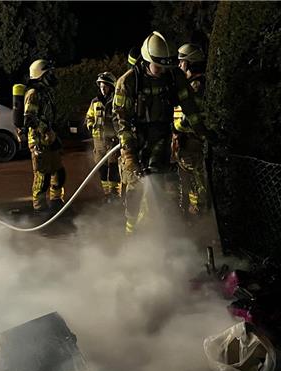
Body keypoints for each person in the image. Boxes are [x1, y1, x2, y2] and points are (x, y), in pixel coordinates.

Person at [113, 31, 208, 234]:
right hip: (137, 141)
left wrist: (202, 131)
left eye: (167, 66)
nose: (164, 71)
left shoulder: (174, 75)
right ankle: (131, 233)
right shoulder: (128, 82)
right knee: (135, 191)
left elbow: (189, 106)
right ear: (147, 61)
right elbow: (121, 122)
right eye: (159, 66)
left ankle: (167, 233)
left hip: (163, 139)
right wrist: (129, 154)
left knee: (168, 189)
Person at [24, 59, 66, 214]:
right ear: (41, 75)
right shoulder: (33, 94)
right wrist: (46, 131)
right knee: (42, 176)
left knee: (58, 172)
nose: (52, 75)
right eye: (49, 73)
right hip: (39, 141)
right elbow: (30, 118)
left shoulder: (46, 93)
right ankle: (39, 207)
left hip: (50, 138)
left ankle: (56, 201)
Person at [173, 43, 209, 216]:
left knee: (196, 179)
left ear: (191, 63)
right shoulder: (188, 84)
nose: (179, 66)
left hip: (191, 141)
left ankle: (201, 214)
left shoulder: (197, 84)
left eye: (182, 62)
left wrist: (175, 128)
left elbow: (190, 116)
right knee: (185, 179)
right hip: (183, 142)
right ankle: (189, 211)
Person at [86, 71, 121, 202]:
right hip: (99, 141)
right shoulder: (95, 102)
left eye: (105, 85)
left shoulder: (116, 101)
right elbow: (89, 116)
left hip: (113, 141)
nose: (102, 88)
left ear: (111, 86)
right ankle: (106, 194)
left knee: (113, 168)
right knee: (101, 168)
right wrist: (90, 125)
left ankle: (114, 193)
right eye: (100, 86)